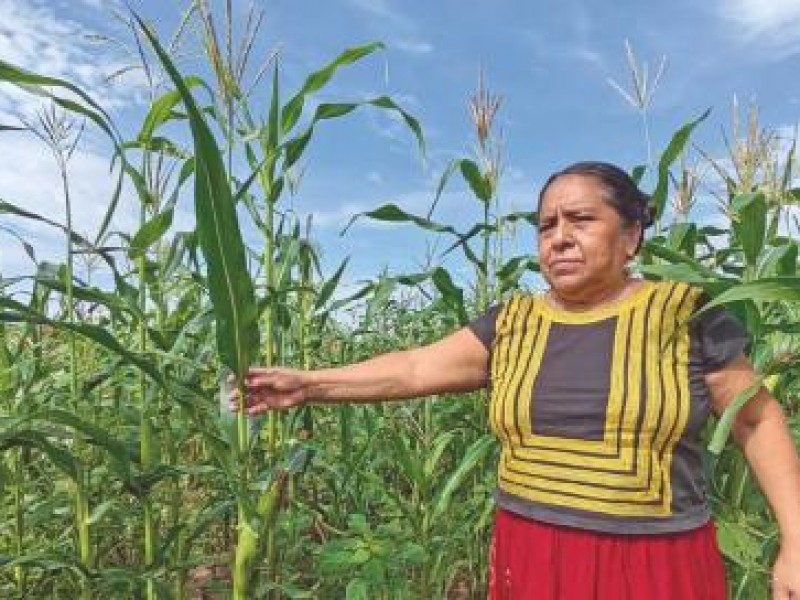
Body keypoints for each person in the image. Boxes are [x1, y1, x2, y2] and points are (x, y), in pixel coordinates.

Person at [231, 161, 800, 599]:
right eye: (546, 224)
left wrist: (796, 542)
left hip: (654, 558)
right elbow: (413, 366)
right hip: (531, 550)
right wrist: (308, 383)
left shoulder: (688, 313)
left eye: (581, 220)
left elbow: (756, 419)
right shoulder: (513, 322)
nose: (558, 236)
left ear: (632, 236)